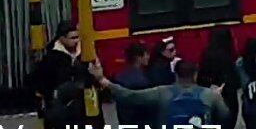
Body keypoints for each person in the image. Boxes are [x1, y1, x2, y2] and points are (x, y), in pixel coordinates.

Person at [89, 60, 229, 129]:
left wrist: (103, 80)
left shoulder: (162, 93)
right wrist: (217, 96)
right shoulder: (210, 95)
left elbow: (130, 96)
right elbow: (225, 116)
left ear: (176, 75)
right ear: (195, 75)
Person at [32, 22, 87, 129]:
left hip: (81, 102)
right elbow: (42, 81)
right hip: (59, 104)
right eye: (73, 38)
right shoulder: (51, 57)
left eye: (78, 37)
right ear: (62, 38)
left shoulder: (85, 53)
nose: (76, 41)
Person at [198, 27, 242, 129]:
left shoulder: (206, 54)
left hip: (210, 96)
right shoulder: (227, 56)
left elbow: (201, 78)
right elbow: (233, 81)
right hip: (226, 98)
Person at [113, 43, 157, 129]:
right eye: (146, 54)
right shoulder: (142, 80)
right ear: (138, 57)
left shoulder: (120, 76)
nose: (148, 57)